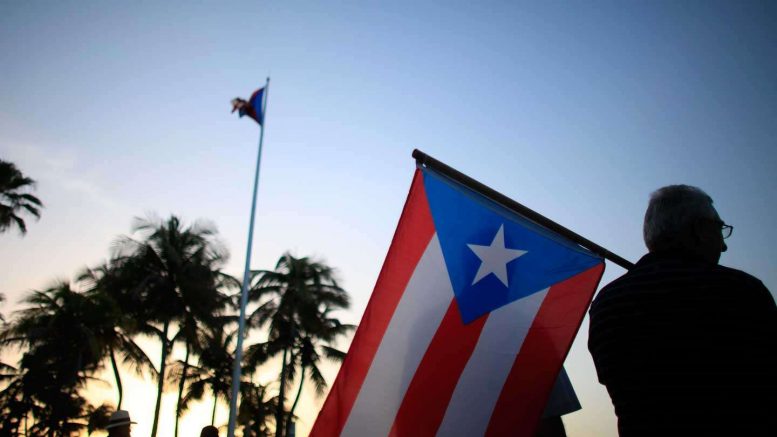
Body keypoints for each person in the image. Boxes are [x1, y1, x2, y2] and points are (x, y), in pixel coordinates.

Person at [588, 185, 777, 435]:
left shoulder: (607, 303)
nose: (724, 247)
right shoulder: (740, 290)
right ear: (699, 230)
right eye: (719, 229)